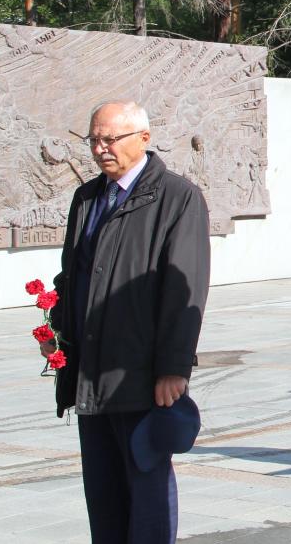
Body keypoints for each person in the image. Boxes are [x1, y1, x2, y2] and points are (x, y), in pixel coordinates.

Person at [42, 101, 210, 544]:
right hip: (89, 373)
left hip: (140, 377)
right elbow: (71, 273)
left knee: (147, 493)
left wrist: (173, 368)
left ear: (143, 138)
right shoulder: (87, 198)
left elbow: (185, 288)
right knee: (103, 497)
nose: (100, 149)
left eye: (109, 139)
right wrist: (57, 330)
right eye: (93, 140)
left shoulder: (177, 197)